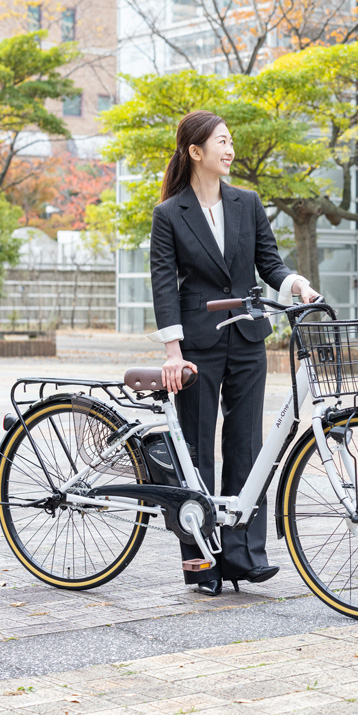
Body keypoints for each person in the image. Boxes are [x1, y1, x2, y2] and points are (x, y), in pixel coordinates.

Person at [149, 110, 320, 597]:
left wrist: (295, 283)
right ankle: (201, 561)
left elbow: (270, 262)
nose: (229, 149)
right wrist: (173, 350)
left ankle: (244, 557)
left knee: (247, 443)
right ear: (194, 151)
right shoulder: (170, 214)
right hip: (197, 343)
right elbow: (164, 283)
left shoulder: (247, 203)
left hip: (247, 336)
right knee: (197, 447)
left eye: (231, 141)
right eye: (220, 142)